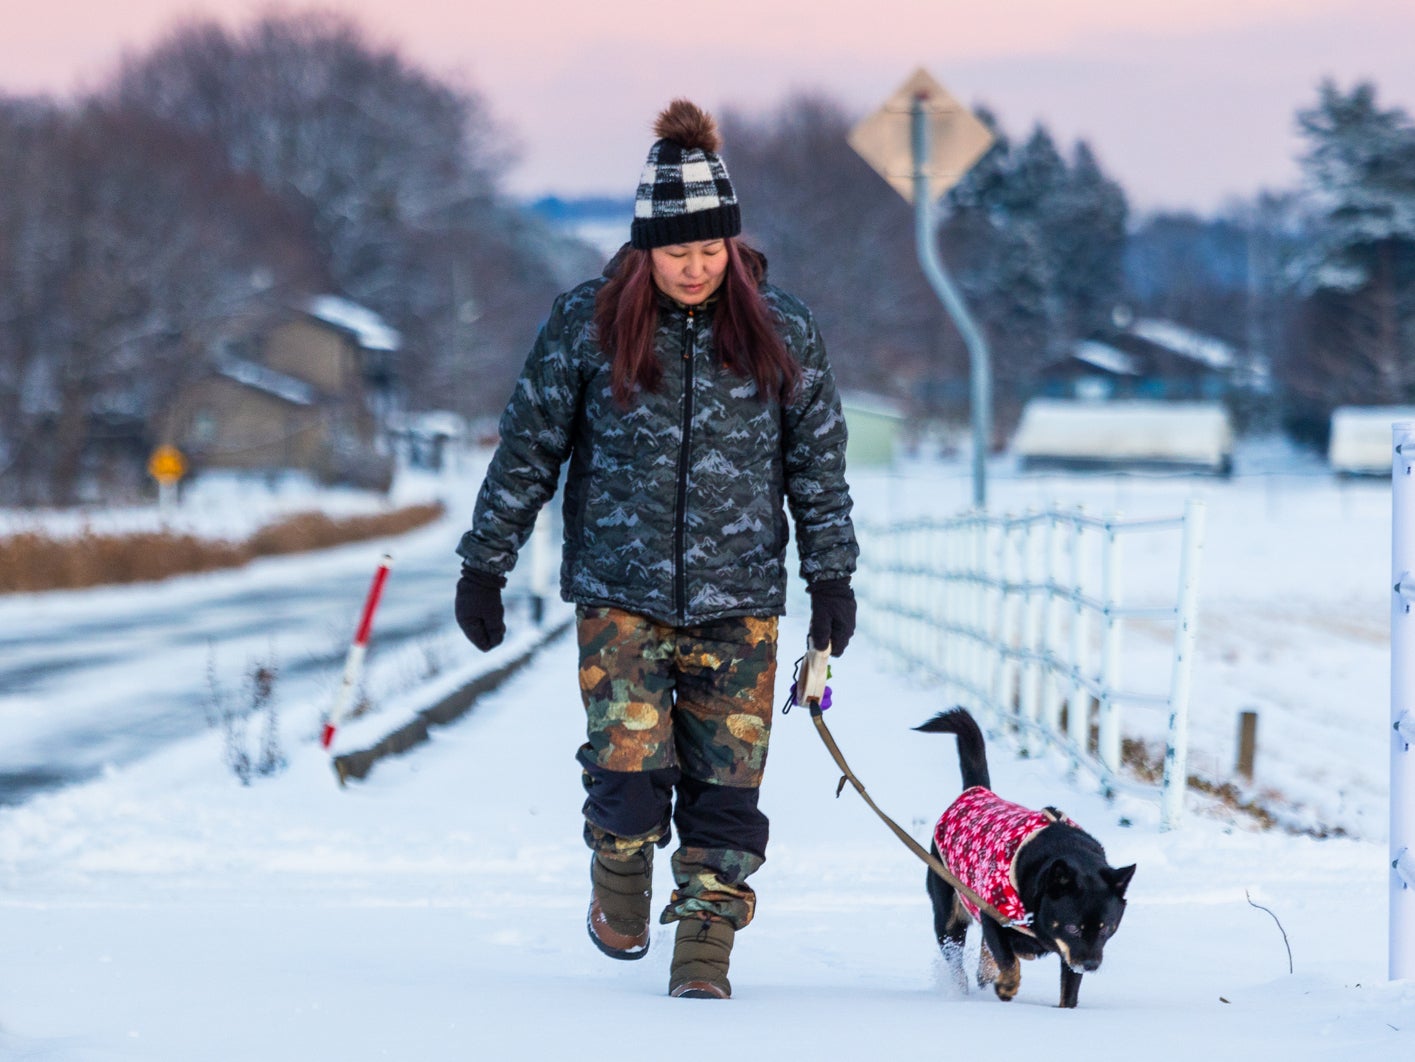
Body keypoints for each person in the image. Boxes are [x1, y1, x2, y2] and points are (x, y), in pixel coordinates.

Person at [453, 99, 858, 1000]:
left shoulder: (780, 330)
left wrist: (830, 577)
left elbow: (817, 464)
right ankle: (622, 883)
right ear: (643, 249)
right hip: (620, 593)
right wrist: (485, 564)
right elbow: (528, 449)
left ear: (731, 245)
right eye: (677, 252)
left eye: (709, 251)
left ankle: (704, 960)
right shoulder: (586, 325)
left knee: (725, 796)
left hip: (741, 599)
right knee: (629, 779)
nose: (694, 268)